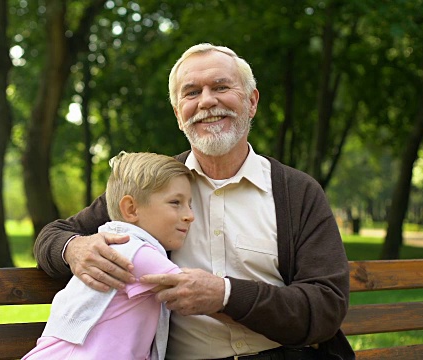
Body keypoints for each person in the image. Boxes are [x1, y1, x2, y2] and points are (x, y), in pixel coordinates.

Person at [35, 43, 354, 359]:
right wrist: (74, 249)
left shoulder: (297, 192)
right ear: (178, 114)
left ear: (252, 101)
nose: (207, 101)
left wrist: (226, 295)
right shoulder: (152, 185)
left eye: (221, 87)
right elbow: (53, 236)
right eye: (191, 93)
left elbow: (326, 305)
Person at [22, 151, 195, 360]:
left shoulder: (120, 241)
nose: (190, 216)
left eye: (191, 204)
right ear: (131, 209)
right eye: (176, 203)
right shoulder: (134, 251)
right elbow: (194, 292)